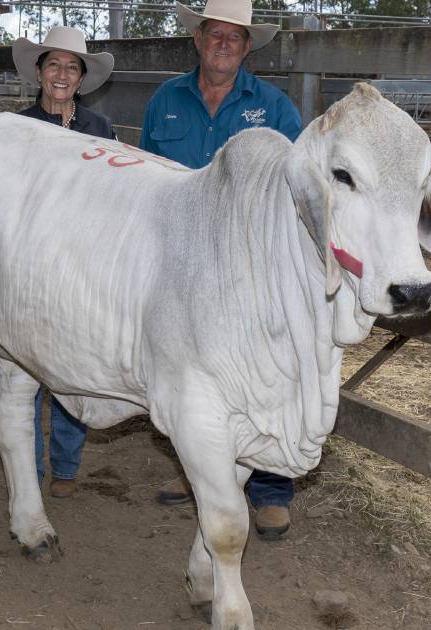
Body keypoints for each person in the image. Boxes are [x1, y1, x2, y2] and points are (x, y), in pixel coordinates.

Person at [140, 0, 302, 539]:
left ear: (247, 46)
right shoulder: (166, 100)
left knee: (269, 375)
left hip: (251, 268)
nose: (224, 43)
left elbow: (298, 193)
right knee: (188, 373)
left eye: (236, 36)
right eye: (215, 33)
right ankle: (199, 473)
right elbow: (147, 180)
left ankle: (272, 490)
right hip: (181, 266)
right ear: (199, 39)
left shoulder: (275, 109)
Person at [10, 26, 115, 499]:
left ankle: (66, 467)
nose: (62, 74)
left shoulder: (99, 129)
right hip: (29, 266)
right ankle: (30, 467)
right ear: (39, 71)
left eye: (72, 67)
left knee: (73, 367)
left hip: (81, 267)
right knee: (26, 368)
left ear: (81, 77)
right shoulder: (18, 128)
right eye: (54, 64)